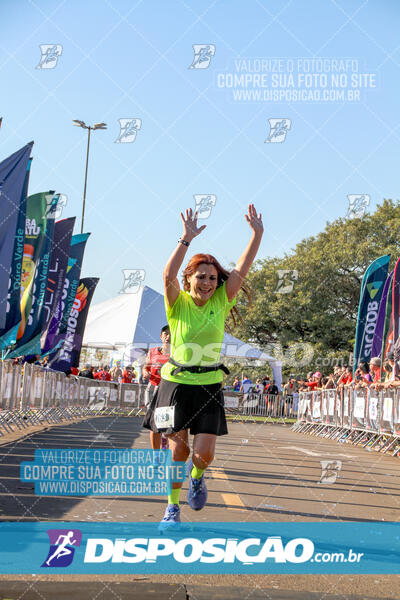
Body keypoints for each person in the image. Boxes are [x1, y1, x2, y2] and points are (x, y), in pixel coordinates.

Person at [143, 204, 263, 528]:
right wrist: (186, 240)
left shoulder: (222, 300)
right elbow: (166, 275)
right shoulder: (177, 302)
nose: (208, 283)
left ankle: (198, 477)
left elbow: (241, 269)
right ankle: (171, 508)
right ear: (189, 279)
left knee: (203, 456)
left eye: (212, 277)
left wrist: (257, 234)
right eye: (201, 277)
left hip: (209, 385)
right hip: (176, 384)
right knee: (177, 452)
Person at [143, 325, 171, 450]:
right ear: (161, 336)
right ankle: (156, 456)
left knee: (165, 422)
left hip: (168, 390)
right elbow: (145, 367)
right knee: (154, 423)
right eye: (165, 334)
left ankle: (165, 440)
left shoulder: (176, 353)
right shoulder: (153, 351)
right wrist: (145, 372)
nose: (168, 337)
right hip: (153, 388)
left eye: (171, 334)